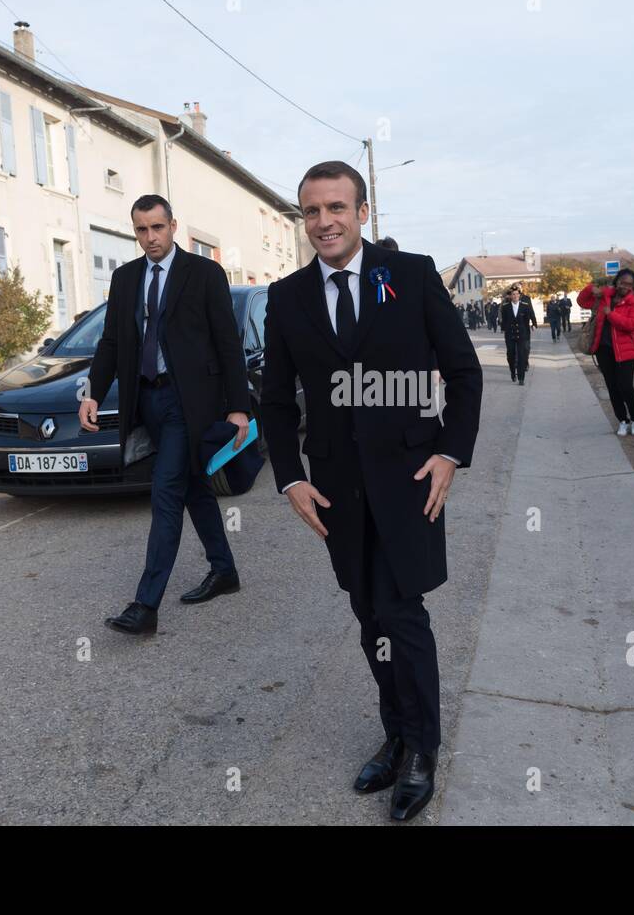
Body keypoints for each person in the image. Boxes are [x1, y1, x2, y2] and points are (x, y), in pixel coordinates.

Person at [260, 160, 482, 821]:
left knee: (401, 610)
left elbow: (463, 374)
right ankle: (396, 731)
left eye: (336, 208)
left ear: (362, 213)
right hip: (335, 489)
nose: (323, 221)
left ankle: (420, 750)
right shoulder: (287, 296)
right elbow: (274, 403)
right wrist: (291, 476)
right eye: (311, 211)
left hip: (411, 479)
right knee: (367, 612)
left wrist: (449, 453)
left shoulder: (410, 276)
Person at [84, 195, 251, 635]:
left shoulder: (204, 274)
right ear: (134, 231)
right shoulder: (125, 279)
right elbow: (112, 343)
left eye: (158, 228)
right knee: (195, 485)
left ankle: (146, 605)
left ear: (173, 226)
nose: (151, 237)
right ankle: (224, 570)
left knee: (166, 491)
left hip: (188, 401)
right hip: (148, 400)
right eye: (142, 230)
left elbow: (228, 342)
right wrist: (93, 394)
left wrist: (239, 406)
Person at [578, 270, 634, 434]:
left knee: (626, 386)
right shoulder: (604, 297)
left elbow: (631, 324)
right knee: (612, 387)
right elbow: (582, 301)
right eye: (622, 282)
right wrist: (591, 288)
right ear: (616, 281)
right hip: (604, 350)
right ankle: (622, 420)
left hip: (626, 351)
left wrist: (611, 314)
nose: (625, 287)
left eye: (629, 284)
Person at [501, 284, 536, 385]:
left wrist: (534, 324)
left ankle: (521, 378)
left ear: (519, 295)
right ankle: (513, 372)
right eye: (513, 294)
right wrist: (503, 329)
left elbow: (531, 314)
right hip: (510, 335)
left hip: (522, 334)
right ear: (510, 296)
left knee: (521, 356)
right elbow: (504, 320)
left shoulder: (525, 306)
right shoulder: (505, 307)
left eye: (517, 294)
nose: (515, 296)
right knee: (510, 355)